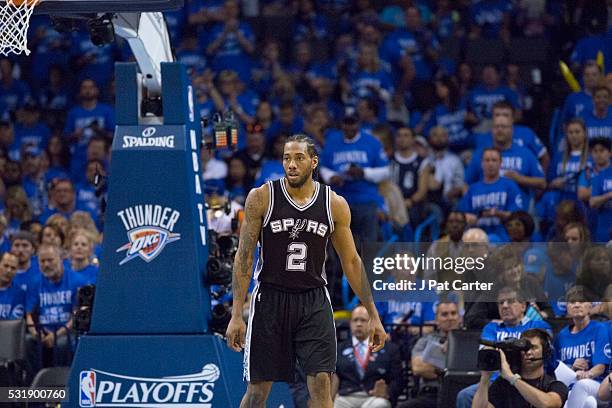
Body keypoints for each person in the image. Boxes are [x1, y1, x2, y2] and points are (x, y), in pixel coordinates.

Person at [225, 134, 387, 408]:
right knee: (257, 392)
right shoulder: (262, 197)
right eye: (287, 158)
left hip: (313, 299)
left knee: (321, 384)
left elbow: (352, 261)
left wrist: (373, 314)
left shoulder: (333, 203)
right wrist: (236, 314)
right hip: (270, 298)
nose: (292, 164)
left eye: (299, 158)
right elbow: (244, 258)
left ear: (313, 162)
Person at [456, 287, 552, 408]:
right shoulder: (491, 328)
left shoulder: (538, 326)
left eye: (511, 301)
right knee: (465, 395)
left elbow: (546, 354)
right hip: (496, 380)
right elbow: (486, 354)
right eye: (501, 303)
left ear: (523, 306)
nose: (505, 306)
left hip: (529, 379)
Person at [473, 329, 568, 408]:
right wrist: (485, 378)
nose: (528, 352)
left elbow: (547, 404)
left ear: (546, 352)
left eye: (533, 348)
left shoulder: (555, 385)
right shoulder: (503, 384)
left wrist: (512, 378)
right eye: (524, 348)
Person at [332, 305, 402, 408]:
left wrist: (387, 392)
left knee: (380, 405)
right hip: (346, 396)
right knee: (337, 405)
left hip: (374, 397)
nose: (358, 324)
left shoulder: (390, 349)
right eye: (355, 320)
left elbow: (398, 379)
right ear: (350, 323)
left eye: (363, 320)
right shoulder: (339, 349)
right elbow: (333, 377)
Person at [555, 286, 611, 408]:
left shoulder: (599, 329)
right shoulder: (561, 336)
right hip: (569, 387)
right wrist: (572, 367)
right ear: (567, 307)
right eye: (572, 302)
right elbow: (558, 367)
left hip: (597, 385)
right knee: (588, 403)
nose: (577, 305)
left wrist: (587, 374)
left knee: (582, 386)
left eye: (581, 301)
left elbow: (601, 367)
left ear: (590, 305)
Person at [399, 300, 462, 408]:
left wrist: (436, 366)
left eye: (453, 313)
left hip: (459, 394)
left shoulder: (467, 340)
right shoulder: (425, 340)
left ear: (459, 318)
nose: (450, 318)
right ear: (437, 319)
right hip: (432, 394)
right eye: (444, 314)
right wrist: (450, 369)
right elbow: (418, 368)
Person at [458, 148, 524, 241]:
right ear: (482, 163)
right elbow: (462, 216)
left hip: (504, 238)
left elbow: (517, 216)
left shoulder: (510, 186)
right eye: (487, 160)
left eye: (494, 160)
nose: (490, 164)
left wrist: (498, 213)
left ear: (501, 163)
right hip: (477, 238)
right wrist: (470, 218)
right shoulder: (472, 189)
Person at [0, 252, 25, 320]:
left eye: (13, 268)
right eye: (6, 266)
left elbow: (13, 324)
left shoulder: (20, 294)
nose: (8, 270)